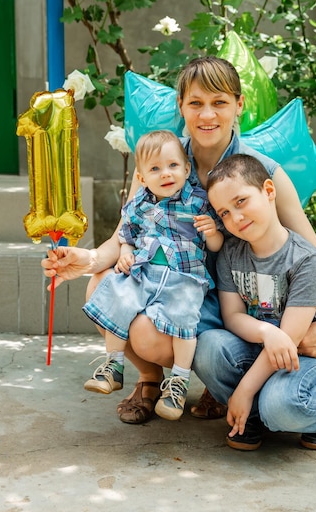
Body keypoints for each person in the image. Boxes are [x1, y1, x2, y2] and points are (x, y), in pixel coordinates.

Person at [42, 56, 316, 426]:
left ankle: (220, 381)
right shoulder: (159, 160)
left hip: (229, 297)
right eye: (196, 103)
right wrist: (86, 259)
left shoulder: (262, 172)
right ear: (180, 106)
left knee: (153, 335)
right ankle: (150, 380)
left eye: (219, 103)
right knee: (99, 286)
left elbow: (313, 250)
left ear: (239, 105)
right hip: (164, 280)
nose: (207, 115)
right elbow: (124, 235)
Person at [203, 153, 316, 450]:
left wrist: (243, 389)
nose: (236, 218)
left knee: (280, 406)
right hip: (259, 346)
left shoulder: (306, 259)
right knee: (209, 346)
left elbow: (292, 337)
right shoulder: (231, 253)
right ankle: (252, 417)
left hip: (304, 357)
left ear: (269, 191)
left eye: (241, 201)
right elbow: (232, 316)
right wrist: (265, 332)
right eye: (224, 213)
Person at [82, 130, 223, 420]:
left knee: (184, 320)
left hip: (185, 278)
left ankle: (178, 384)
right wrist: (123, 251)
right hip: (145, 272)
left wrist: (212, 232)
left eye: (173, 166)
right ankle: (113, 366)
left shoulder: (198, 202)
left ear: (186, 169)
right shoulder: (139, 204)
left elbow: (216, 246)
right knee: (116, 296)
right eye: (155, 169)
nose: (166, 174)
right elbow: (126, 235)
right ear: (142, 178)